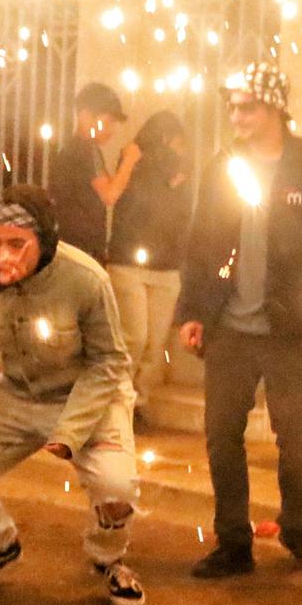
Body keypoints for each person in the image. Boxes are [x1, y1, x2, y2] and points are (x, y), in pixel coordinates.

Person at [177, 62, 302, 582]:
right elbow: (202, 243)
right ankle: (233, 542)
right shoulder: (223, 166)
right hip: (230, 328)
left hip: (288, 330)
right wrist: (193, 310)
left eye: (247, 107)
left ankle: (296, 528)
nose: (237, 116)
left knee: (295, 437)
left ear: (275, 108)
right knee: (221, 436)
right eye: (232, 107)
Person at [0, 185, 145, 605]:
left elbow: (108, 362)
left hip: (88, 395)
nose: (2, 255)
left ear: (43, 242)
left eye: (17, 244)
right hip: (17, 392)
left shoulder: (87, 279)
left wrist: (71, 431)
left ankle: (108, 557)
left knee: (116, 488)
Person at [106, 110, 192, 427]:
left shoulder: (182, 171)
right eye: (174, 142)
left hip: (166, 268)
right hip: (129, 263)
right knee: (135, 338)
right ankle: (119, 405)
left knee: (154, 344)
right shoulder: (132, 159)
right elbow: (127, 200)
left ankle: (137, 403)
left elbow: (183, 215)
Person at [47, 81, 135, 262]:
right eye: (107, 121)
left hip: (69, 247)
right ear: (85, 116)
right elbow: (109, 195)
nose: (111, 130)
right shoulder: (85, 149)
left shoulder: (74, 148)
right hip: (80, 251)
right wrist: (129, 160)